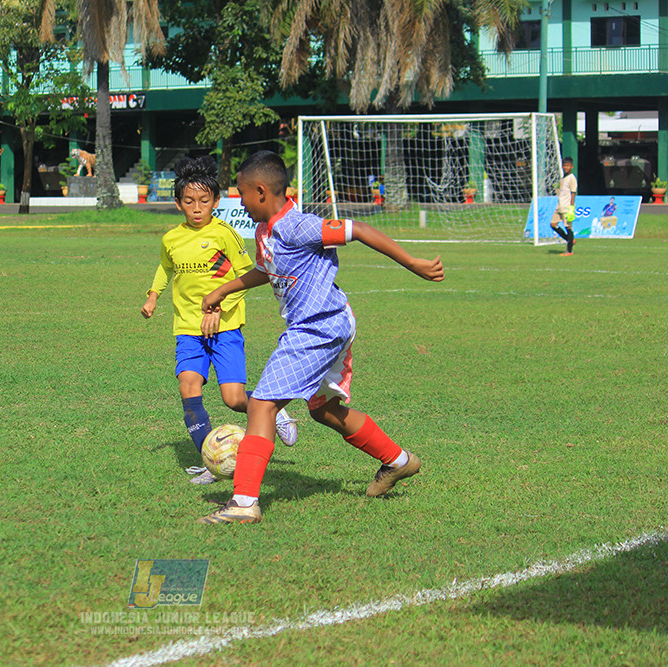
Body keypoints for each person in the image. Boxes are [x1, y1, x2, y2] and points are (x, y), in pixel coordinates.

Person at [197, 151, 444, 524]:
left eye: (242, 194)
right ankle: (399, 461)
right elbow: (268, 270)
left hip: (318, 327)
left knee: (262, 405)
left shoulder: (298, 226)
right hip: (327, 324)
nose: (240, 202)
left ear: (261, 192)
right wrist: (224, 290)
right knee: (323, 409)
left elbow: (357, 229)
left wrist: (414, 263)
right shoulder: (267, 231)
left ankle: (244, 503)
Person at [141, 155, 298, 485]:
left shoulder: (224, 234)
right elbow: (166, 268)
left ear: (215, 202)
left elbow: (247, 275)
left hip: (226, 327)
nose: (196, 208)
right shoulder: (171, 239)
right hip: (188, 329)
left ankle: (273, 409)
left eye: (203, 201)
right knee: (188, 387)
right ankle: (210, 462)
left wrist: (219, 308)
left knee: (234, 399)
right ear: (177, 203)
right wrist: (154, 294)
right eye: (188, 201)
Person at [551, 157, 577, 256]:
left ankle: (569, 251)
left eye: (568, 166)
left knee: (568, 227)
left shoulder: (572, 178)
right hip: (559, 205)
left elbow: (573, 193)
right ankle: (569, 239)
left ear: (572, 166)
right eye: (564, 165)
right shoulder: (563, 178)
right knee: (553, 224)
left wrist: (572, 207)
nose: (566, 167)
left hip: (567, 206)